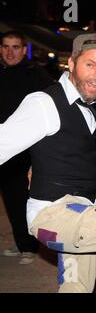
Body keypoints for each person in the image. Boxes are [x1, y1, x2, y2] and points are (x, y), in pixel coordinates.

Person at [0, 33, 96, 292]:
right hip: (52, 216)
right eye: (90, 65)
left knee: (76, 288)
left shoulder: (93, 105)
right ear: (71, 64)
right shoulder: (44, 104)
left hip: (84, 214)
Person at [0, 30, 53, 265]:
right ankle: (22, 242)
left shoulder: (36, 75)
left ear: (24, 50)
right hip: (4, 148)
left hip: (27, 151)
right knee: (10, 200)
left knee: (25, 199)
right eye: (5, 47)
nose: (10, 52)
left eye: (15, 47)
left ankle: (30, 246)